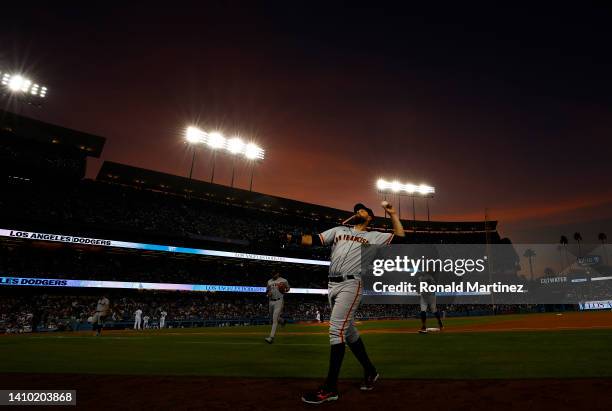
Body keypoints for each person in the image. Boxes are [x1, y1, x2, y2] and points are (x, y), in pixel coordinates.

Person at [288, 201, 406, 404]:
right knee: (349, 332)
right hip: (332, 285)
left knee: (336, 331)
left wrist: (393, 214)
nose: (357, 211)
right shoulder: (339, 230)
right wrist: (288, 237)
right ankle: (371, 371)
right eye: (356, 210)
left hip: (351, 283)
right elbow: (313, 240)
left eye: (362, 210)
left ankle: (330, 388)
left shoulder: (373, 236)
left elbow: (401, 237)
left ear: (369, 217)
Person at [265, 271, 290, 344]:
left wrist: (284, 289)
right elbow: (266, 291)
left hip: (279, 301)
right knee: (272, 317)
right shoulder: (269, 281)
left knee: (274, 319)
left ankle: (271, 337)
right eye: (272, 273)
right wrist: (267, 294)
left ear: (278, 273)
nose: (273, 274)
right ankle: (282, 321)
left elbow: (288, 289)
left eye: (275, 273)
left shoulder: (284, 280)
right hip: (271, 301)